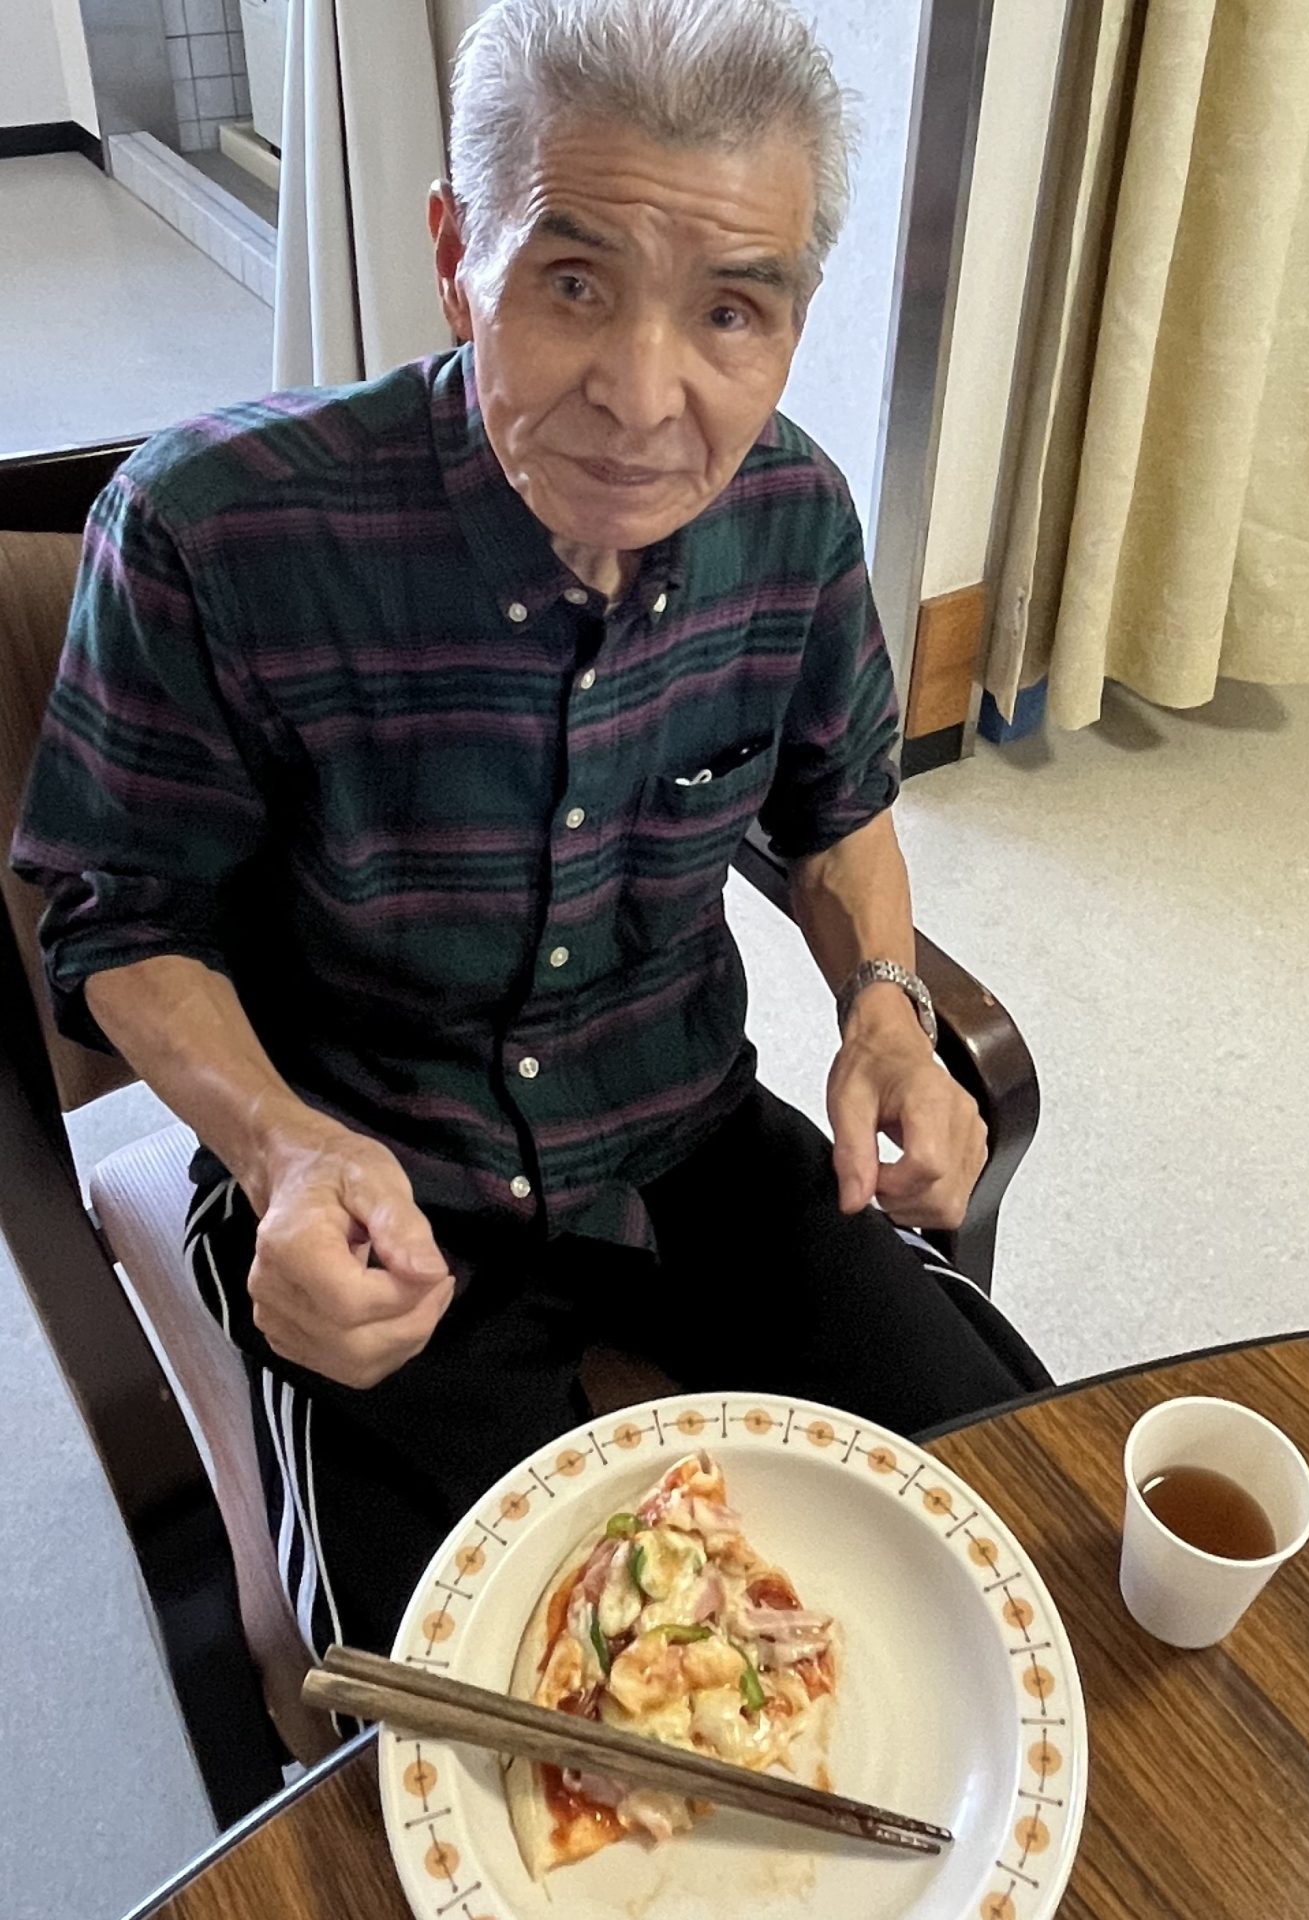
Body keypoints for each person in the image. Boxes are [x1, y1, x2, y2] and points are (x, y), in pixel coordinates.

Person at [13, 0, 1046, 1656]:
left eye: (729, 309)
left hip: (686, 1134)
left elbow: (839, 811)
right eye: (573, 284)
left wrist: (883, 1004)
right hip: (374, 1176)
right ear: (455, 256)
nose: (643, 398)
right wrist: (279, 1153)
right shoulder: (217, 533)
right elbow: (123, 919)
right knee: (477, 1703)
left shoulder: (792, 518)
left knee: (1006, 1530)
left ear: (792, 324)